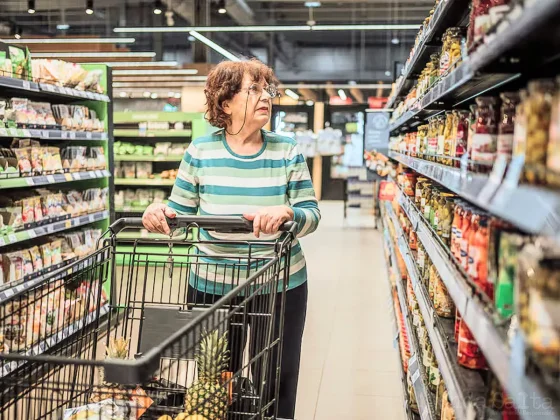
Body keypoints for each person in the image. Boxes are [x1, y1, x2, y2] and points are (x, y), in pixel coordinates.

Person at [141, 59, 320, 418]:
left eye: (266, 89)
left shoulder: (287, 150)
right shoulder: (200, 152)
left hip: (280, 284)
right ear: (225, 103)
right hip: (212, 283)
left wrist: (287, 213)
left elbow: (311, 215)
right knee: (215, 378)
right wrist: (158, 214)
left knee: (276, 378)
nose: (265, 96)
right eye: (252, 89)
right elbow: (178, 213)